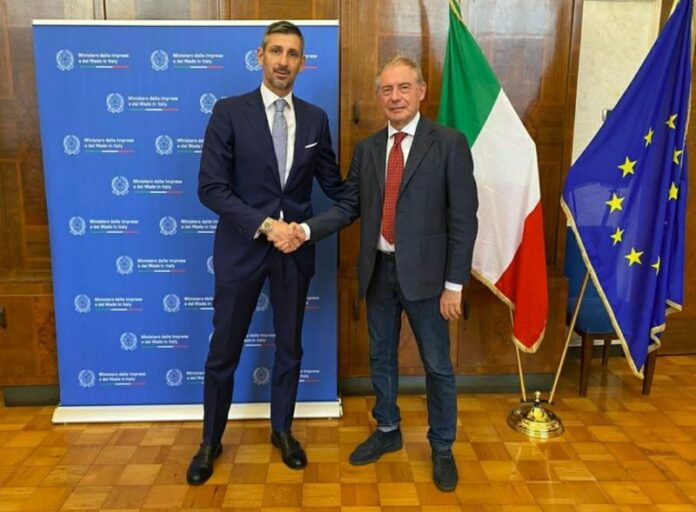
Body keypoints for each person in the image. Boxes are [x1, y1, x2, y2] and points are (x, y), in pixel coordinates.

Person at [293, 55, 478, 492]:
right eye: (387, 90)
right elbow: (348, 206)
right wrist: (305, 230)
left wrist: (454, 285)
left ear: (421, 91)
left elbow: (463, 220)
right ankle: (388, 429)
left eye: (403, 87)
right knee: (380, 356)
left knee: (437, 365)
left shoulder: (449, 143)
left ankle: (442, 445)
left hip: (429, 279)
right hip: (378, 270)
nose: (395, 97)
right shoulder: (369, 149)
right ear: (379, 97)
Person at [188, 20, 344, 486]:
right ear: (260, 56)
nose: (283, 61)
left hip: (294, 252)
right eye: (275, 51)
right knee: (223, 351)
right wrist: (266, 225)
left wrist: (382, 187)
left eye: (292, 54)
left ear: (302, 62)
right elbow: (210, 188)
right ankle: (210, 442)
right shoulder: (229, 112)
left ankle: (283, 431)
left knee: (290, 347)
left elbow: (334, 185)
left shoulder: (315, 119)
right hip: (242, 250)